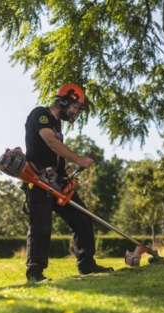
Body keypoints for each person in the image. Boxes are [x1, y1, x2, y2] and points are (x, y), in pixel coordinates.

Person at [23, 83, 114, 282]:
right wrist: (78, 159)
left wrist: (63, 167)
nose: (76, 112)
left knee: (82, 216)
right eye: (76, 106)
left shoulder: (57, 124)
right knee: (41, 224)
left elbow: (53, 151)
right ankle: (34, 271)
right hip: (37, 179)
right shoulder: (41, 114)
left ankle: (87, 265)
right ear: (65, 99)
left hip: (56, 180)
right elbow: (50, 142)